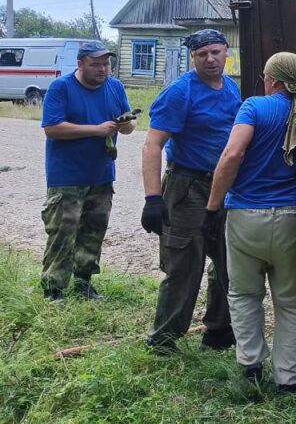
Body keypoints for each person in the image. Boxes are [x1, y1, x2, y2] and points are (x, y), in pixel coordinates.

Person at [206, 51, 296, 394]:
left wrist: (212, 206)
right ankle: (289, 380)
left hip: (245, 217)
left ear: (273, 80)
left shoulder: (254, 107)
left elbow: (232, 154)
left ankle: (251, 366)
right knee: (294, 302)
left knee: (243, 293)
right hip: (292, 219)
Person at [141, 29, 241, 353]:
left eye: (216, 52)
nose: (210, 59)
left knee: (229, 263)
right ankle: (164, 341)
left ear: (226, 52)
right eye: (202, 55)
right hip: (187, 188)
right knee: (184, 266)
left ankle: (218, 331)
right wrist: (153, 199)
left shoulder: (231, 88)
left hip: (224, 187)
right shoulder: (180, 92)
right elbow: (153, 144)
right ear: (193, 57)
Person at [40, 41, 135, 301]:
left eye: (106, 63)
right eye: (96, 64)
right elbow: (52, 127)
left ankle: (84, 283)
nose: (103, 69)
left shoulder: (114, 87)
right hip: (67, 176)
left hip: (102, 174)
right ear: (80, 64)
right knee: (63, 233)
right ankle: (54, 289)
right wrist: (97, 130)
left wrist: (127, 124)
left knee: (93, 231)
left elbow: (128, 122)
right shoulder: (62, 88)